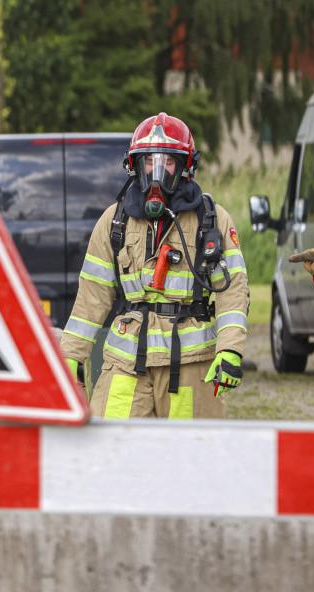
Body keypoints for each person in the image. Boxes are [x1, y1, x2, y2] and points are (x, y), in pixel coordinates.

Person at [58, 112, 250, 418]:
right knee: (112, 452)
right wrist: (71, 353)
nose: (157, 171)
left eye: (168, 161)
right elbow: (92, 296)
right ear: (135, 164)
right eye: (149, 161)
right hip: (126, 362)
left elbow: (233, 292)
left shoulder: (210, 220)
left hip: (189, 364)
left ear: (185, 165)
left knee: (190, 457)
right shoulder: (114, 220)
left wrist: (230, 349)